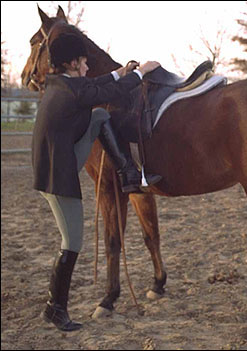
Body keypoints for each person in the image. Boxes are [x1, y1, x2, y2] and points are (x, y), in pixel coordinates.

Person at [32, 32, 161, 332]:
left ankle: (128, 171)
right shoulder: (73, 92)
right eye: (85, 62)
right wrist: (141, 73)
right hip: (58, 177)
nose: (89, 67)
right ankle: (55, 309)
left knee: (99, 116)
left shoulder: (62, 84)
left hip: (59, 162)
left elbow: (97, 86)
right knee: (72, 242)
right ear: (73, 63)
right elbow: (111, 92)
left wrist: (121, 71)